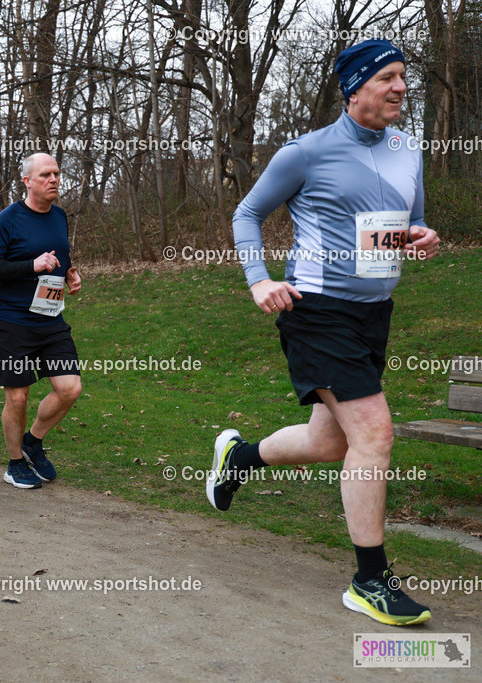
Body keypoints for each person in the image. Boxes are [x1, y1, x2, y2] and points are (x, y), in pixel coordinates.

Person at [210, 39, 439, 626]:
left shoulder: (407, 148)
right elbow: (247, 213)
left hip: (373, 315)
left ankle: (240, 458)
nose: (401, 88)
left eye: (403, 77)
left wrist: (422, 233)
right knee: (375, 435)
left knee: (332, 443)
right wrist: (259, 279)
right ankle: (369, 579)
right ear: (355, 86)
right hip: (317, 311)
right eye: (388, 77)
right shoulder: (306, 152)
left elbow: (408, 219)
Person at [0, 152, 83, 489]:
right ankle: (14, 463)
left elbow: (59, 256)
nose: (53, 180)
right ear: (27, 181)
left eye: (56, 173)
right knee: (18, 398)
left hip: (50, 318)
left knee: (70, 389)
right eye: (45, 175)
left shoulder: (59, 217)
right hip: (13, 320)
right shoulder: (8, 218)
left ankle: (33, 441)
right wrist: (30, 266)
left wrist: (69, 275)